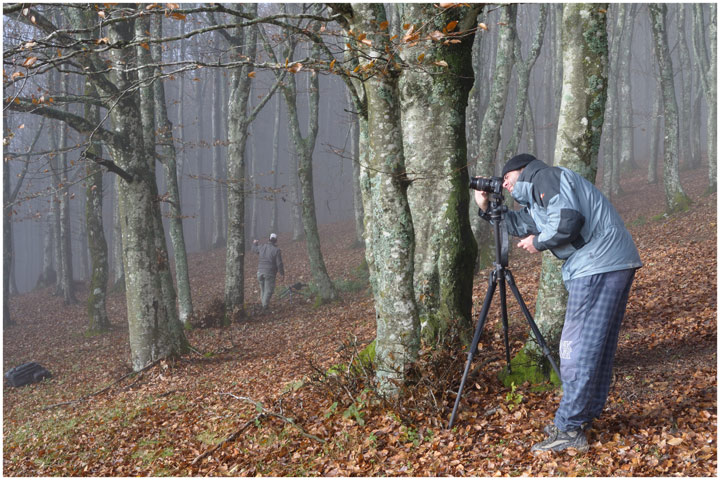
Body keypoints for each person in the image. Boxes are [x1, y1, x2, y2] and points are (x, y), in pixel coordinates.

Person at [474, 153, 642, 453]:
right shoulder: (538, 201)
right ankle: (581, 418)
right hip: (609, 261)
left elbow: (569, 221)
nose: (504, 185)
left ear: (522, 170)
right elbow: (516, 224)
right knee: (596, 346)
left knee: (575, 347)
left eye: (507, 178)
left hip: (598, 263)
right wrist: (485, 208)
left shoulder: (545, 178)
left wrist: (538, 242)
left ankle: (569, 429)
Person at [251, 233, 285, 311]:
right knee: (269, 290)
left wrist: (255, 243)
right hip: (269, 273)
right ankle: (264, 307)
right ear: (276, 241)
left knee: (263, 290)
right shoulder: (277, 250)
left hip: (260, 272)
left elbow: (253, 249)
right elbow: (279, 263)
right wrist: (282, 273)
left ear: (269, 239)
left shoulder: (262, 247)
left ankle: (263, 306)